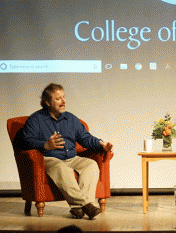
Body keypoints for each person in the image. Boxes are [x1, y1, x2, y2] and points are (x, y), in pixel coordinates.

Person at [23, 83, 113, 219]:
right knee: (61, 168)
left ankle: (78, 208)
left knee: (91, 165)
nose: (63, 101)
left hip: (72, 158)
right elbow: (26, 141)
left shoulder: (71, 119)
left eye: (64, 97)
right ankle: (87, 205)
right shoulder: (35, 120)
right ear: (47, 102)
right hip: (49, 158)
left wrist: (101, 145)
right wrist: (45, 145)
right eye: (58, 98)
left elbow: (86, 138)